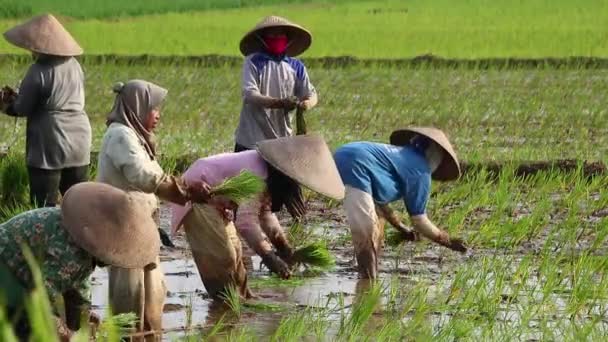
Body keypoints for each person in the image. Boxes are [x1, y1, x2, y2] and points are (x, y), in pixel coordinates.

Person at [96, 79, 210, 339]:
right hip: (124, 226)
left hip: (142, 226)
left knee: (154, 289)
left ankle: (151, 334)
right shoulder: (120, 135)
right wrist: (186, 189)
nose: (158, 115)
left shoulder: (136, 137)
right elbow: (143, 175)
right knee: (129, 290)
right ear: (137, 107)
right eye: (153, 108)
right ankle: (130, 336)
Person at [171, 134, 344, 299]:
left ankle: (243, 296)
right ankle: (224, 303)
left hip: (217, 202)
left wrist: (284, 248)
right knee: (222, 257)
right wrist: (269, 257)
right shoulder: (257, 175)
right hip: (198, 196)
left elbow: (265, 215)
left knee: (236, 251)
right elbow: (246, 223)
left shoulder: (269, 171)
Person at [0, 182, 161, 341]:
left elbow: (78, 287)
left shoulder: (84, 238)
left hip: (23, 271)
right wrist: (67, 334)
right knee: (27, 327)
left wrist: (84, 316)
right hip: (5, 268)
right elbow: (41, 302)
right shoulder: (68, 251)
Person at [333, 127, 468, 279]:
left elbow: (382, 205)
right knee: (367, 235)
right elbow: (419, 220)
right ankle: (368, 286)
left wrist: (402, 228)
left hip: (342, 154)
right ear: (436, 156)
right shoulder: (420, 170)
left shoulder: (401, 157)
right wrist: (448, 241)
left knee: (377, 221)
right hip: (356, 164)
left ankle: (368, 276)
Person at [0, 14, 91, 207]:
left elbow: (22, 108)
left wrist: (6, 105)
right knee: (79, 205)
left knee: (43, 207)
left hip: (49, 141)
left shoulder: (38, 70)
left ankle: (43, 237)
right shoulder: (75, 66)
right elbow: (55, 97)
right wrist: (20, 94)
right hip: (79, 139)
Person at [234, 15, 318, 152]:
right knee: (248, 174)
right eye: (272, 35)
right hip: (251, 138)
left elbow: (311, 94)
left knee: (277, 173)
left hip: (282, 138)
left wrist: (306, 104)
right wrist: (278, 103)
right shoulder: (253, 62)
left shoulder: (296, 66)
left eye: (280, 34)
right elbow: (250, 94)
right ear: (263, 39)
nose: (277, 38)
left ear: (287, 39)